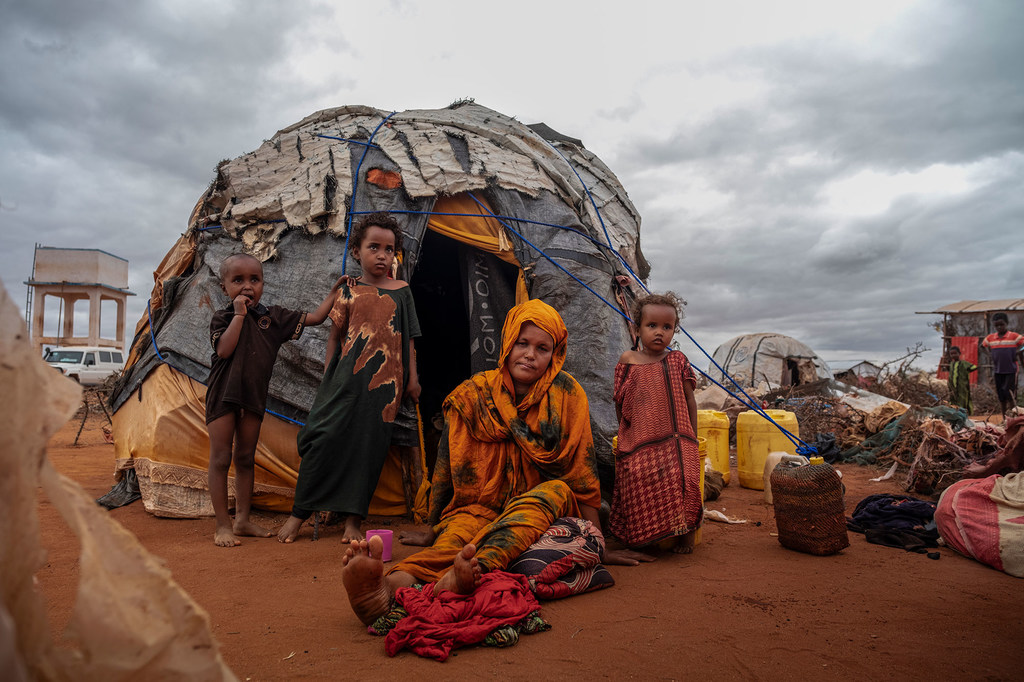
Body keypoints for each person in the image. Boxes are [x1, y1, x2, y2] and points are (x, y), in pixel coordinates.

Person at [339, 299, 650, 626]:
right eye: (522, 343)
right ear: (507, 343)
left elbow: (583, 476)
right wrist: (432, 527)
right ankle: (386, 588)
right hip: (477, 506)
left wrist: (596, 543)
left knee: (553, 491)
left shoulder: (567, 396)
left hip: (537, 509)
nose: (530, 354)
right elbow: (445, 468)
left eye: (542, 348)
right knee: (454, 542)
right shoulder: (474, 394)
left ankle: (471, 572)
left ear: (555, 355)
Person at [278, 212, 421, 543]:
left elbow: (410, 338)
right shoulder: (349, 291)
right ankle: (300, 514)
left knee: (367, 449)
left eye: (389, 249)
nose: (382, 255)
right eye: (374, 247)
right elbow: (333, 338)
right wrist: (329, 376)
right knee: (322, 439)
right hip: (344, 381)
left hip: (385, 388)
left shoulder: (403, 291)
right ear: (357, 251)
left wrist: (413, 378)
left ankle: (352, 522)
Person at [206, 253, 340, 547]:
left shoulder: (274, 318)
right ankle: (222, 525)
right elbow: (225, 350)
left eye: (254, 279)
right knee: (220, 458)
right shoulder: (223, 317)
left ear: (263, 284)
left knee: (244, 457)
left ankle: (242, 520)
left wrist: (334, 293)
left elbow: (316, 318)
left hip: (253, 397)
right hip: (223, 396)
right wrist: (239, 315)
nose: (247, 286)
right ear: (224, 286)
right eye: (238, 280)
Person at [610, 292, 702, 555]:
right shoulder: (627, 360)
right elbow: (619, 400)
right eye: (652, 326)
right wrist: (626, 433)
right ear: (636, 327)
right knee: (638, 481)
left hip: (677, 439)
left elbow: (689, 400)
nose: (659, 332)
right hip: (639, 438)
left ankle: (686, 537)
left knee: (684, 482)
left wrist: (691, 437)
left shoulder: (677, 360)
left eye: (667, 327)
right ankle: (643, 537)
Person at [981, 312, 1024, 421]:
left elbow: (1023, 345)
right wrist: (989, 355)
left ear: (1006, 323)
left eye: (1002, 324)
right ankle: (1004, 417)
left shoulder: (1013, 336)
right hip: (998, 370)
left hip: (1011, 369)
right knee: (1001, 394)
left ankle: (1014, 417)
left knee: (1009, 392)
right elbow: (982, 346)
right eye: (997, 325)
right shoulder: (991, 338)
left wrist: (1018, 352)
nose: (999, 327)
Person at [939, 346, 977, 414]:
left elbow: (974, 367)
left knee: (963, 399)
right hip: (952, 386)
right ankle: (955, 413)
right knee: (953, 399)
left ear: (959, 353)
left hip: (962, 386)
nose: (953, 355)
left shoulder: (963, 363)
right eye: (951, 354)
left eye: (955, 353)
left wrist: (966, 372)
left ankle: (965, 413)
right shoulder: (951, 364)